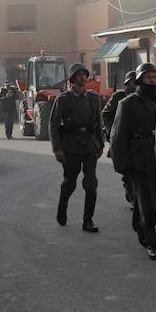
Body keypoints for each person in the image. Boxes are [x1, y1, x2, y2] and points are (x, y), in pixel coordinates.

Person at [110, 64, 156, 260]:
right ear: (140, 80)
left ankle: (140, 221)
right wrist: (122, 163)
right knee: (145, 201)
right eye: (148, 77)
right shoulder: (128, 103)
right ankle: (152, 242)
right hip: (139, 159)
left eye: (154, 77)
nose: (152, 80)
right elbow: (118, 135)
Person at [49, 64, 104, 233]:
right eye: (79, 74)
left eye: (84, 74)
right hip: (71, 146)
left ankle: (88, 220)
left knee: (91, 184)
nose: (82, 77)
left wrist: (100, 144)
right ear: (72, 79)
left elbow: (97, 122)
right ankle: (62, 207)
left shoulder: (93, 97)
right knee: (69, 182)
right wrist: (57, 149)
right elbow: (54, 124)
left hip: (89, 146)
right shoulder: (63, 99)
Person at [102, 70, 138, 208]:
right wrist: (112, 132)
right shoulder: (118, 97)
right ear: (127, 83)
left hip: (139, 140)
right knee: (127, 170)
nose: (135, 84)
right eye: (133, 81)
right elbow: (106, 114)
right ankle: (131, 193)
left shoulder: (145, 96)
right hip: (122, 140)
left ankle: (138, 197)